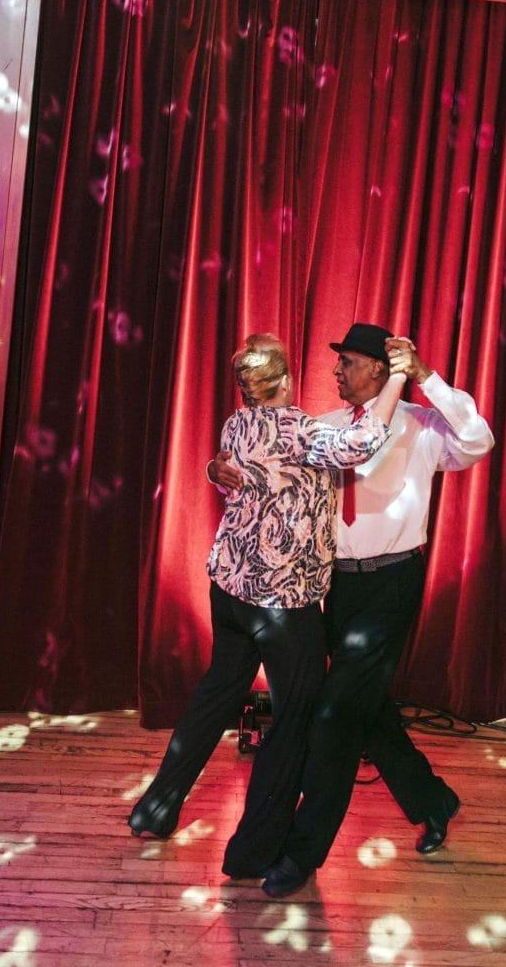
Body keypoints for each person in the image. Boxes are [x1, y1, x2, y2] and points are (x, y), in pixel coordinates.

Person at [209, 322, 495, 896]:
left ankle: (302, 854)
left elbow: (479, 439)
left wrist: (426, 378)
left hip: (389, 585)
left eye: (346, 363)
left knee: (336, 720)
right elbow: (263, 472)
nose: (335, 371)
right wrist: (218, 471)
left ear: (377, 370)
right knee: (365, 710)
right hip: (331, 586)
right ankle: (432, 799)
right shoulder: (326, 427)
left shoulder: (420, 426)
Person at [128, 331, 407, 879]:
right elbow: (365, 441)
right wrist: (397, 375)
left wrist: (213, 470)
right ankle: (252, 851)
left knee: (215, 697)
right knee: (291, 723)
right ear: (282, 380)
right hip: (282, 604)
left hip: (231, 590)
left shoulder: (238, 424)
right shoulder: (301, 431)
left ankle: (156, 810)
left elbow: (235, 475)